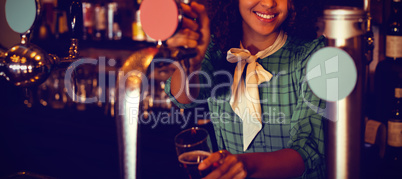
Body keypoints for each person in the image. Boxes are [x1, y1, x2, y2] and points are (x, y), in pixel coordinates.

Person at [165, 0, 326, 178]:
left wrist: (246, 164)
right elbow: (184, 98)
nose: (268, 3)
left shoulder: (313, 56)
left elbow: (308, 150)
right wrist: (190, 63)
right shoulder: (216, 50)